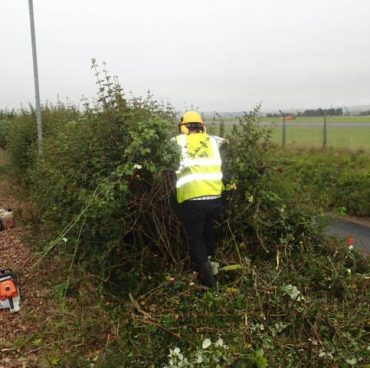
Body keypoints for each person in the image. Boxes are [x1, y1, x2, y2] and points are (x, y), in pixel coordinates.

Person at [174, 111, 226, 287]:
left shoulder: (180, 141)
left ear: (184, 127)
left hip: (193, 199)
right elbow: (225, 142)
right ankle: (212, 265)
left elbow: (159, 146)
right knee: (208, 232)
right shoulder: (213, 140)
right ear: (202, 126)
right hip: (215, 198)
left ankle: (210, 283)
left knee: (196, 239)